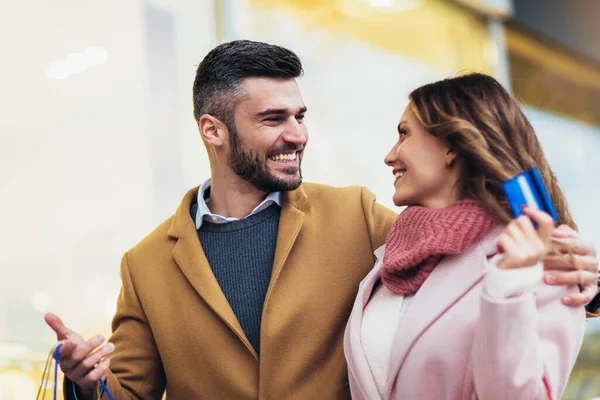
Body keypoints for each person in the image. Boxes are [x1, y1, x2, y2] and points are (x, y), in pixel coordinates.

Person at [45, 41, 599, 399]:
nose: (297, 134)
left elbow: (464, 245)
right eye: (273, 118)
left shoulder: (356, 216)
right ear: (212, 131)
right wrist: (84, 382)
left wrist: (585, 280)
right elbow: (129, 393)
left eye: (300, 115)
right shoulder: (144, 265)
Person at [344, 73, 592, 400]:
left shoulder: (544, 260)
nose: (390, 156)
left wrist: (508, 289)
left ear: (451, 146)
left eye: (404, 134)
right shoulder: (391, 255)